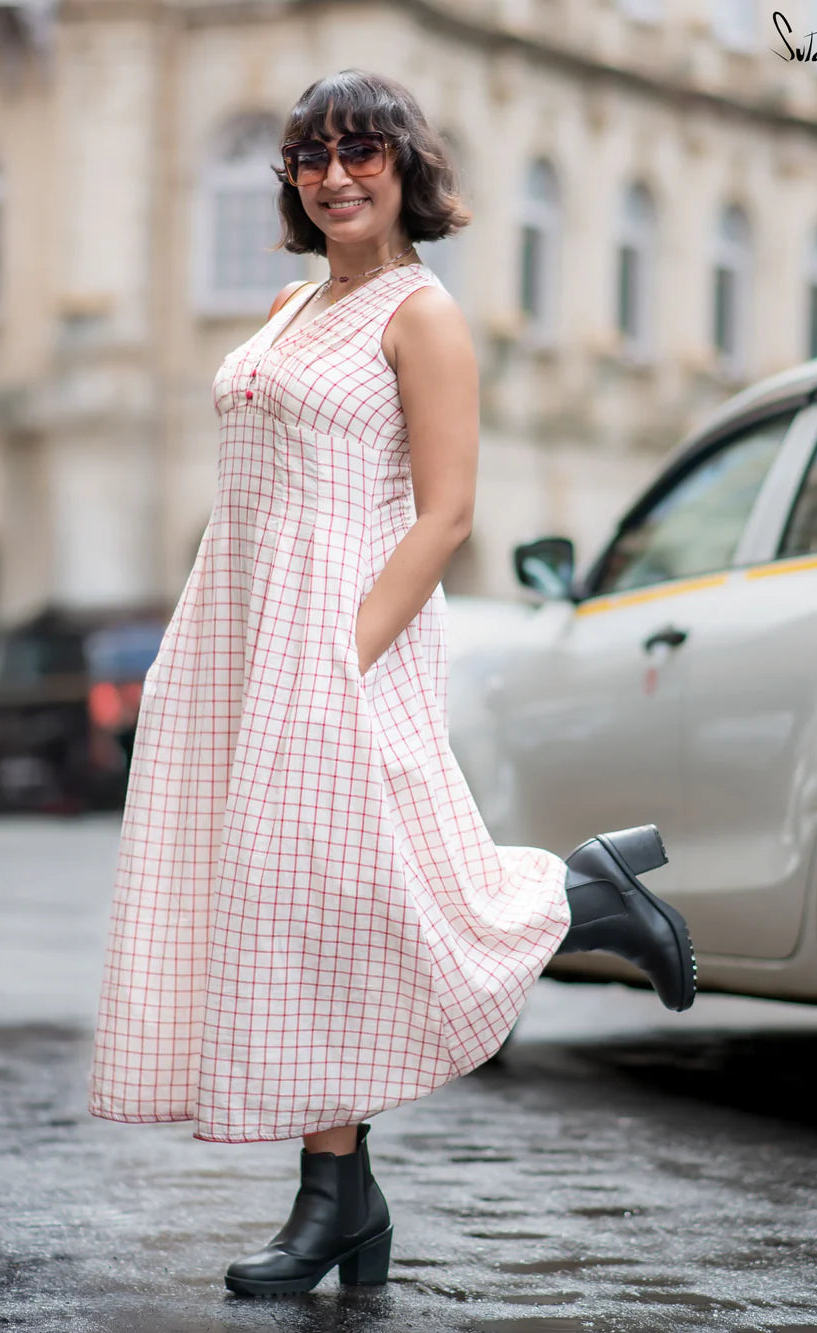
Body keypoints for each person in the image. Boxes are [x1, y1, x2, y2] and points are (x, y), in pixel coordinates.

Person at [88, 68, 697, 1300]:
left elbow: (449, 511)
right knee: (314, 908)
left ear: (406, 169)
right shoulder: (286, 307)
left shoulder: (422, 316)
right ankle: (346, 1201)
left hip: (345, 638)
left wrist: (340, 651)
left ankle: (581, 901)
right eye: (311, 156)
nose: (333, 174)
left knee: (362, 899)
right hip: (246, 637)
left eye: (360, 151)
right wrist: (201, 646)